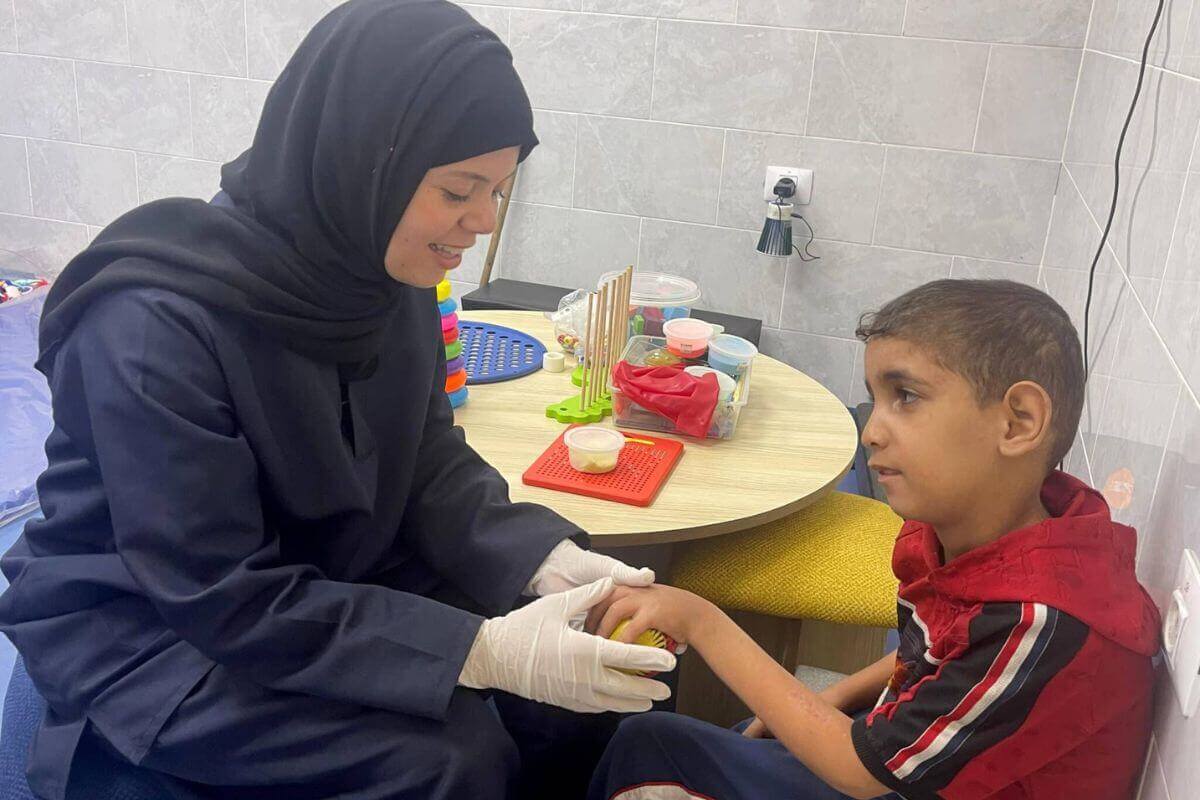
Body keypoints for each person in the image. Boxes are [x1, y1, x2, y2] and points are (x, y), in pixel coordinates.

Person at [0, 2, 676, 799]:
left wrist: (541, 559)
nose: (483, 220)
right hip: (164, 625)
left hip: (327, 572)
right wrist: (479, 651)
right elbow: (220, 589)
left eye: (499, 189)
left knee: (581, 692)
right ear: (365, 163)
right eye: (461, 189)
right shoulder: (153, 326)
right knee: (451, 761)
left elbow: (425, 460)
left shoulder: (379, 273)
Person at [586, 280, 1161, 800]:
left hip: (890, 780)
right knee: (730, 735)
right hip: (908, 762)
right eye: (876, 398)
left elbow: (859, 770)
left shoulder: (1041, 618)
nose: (872, 431)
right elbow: (937, 658)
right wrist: (836, 697)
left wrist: (700, 619)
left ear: (1018, 422)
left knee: (649, 751)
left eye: (905, 396)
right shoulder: (980, 532)